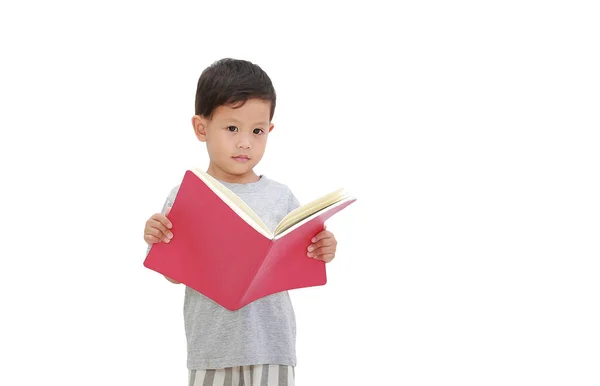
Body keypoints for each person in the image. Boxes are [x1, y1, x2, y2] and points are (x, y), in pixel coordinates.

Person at [143, 58, 339, 386]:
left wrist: (323, 248)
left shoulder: (281, 196)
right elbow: (172, 274)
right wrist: (157, 239)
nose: (245, 141)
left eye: (257, 130)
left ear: (269, 131)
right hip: (211, 348)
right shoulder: (187, 196)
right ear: (201, 128)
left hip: (271, 344)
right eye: (232, 128)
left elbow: (302, 257)